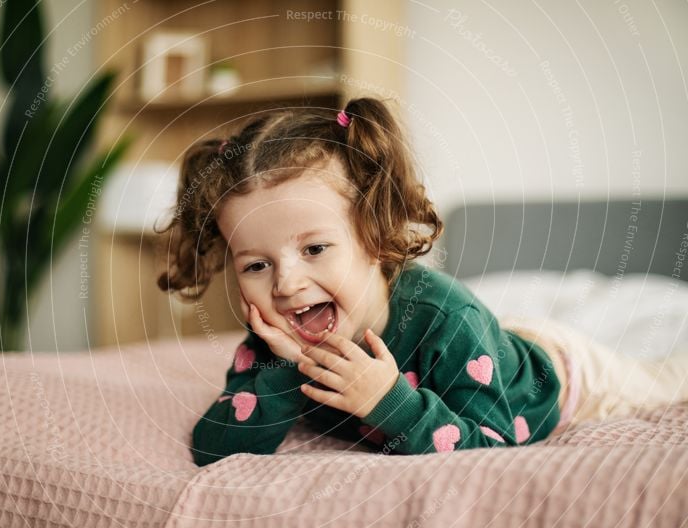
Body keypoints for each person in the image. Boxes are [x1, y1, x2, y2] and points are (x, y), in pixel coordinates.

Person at [155, 97, 688, 467]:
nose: (287, 283)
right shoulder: (275, 342)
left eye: (314, 249)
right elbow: (214, 449)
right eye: (256, 265)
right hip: (490, 349)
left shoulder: (448, 324)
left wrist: (389, 401)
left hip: (560, 377)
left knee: (666, 381)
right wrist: (281, 370)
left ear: (372, 235)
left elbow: (494, 450)